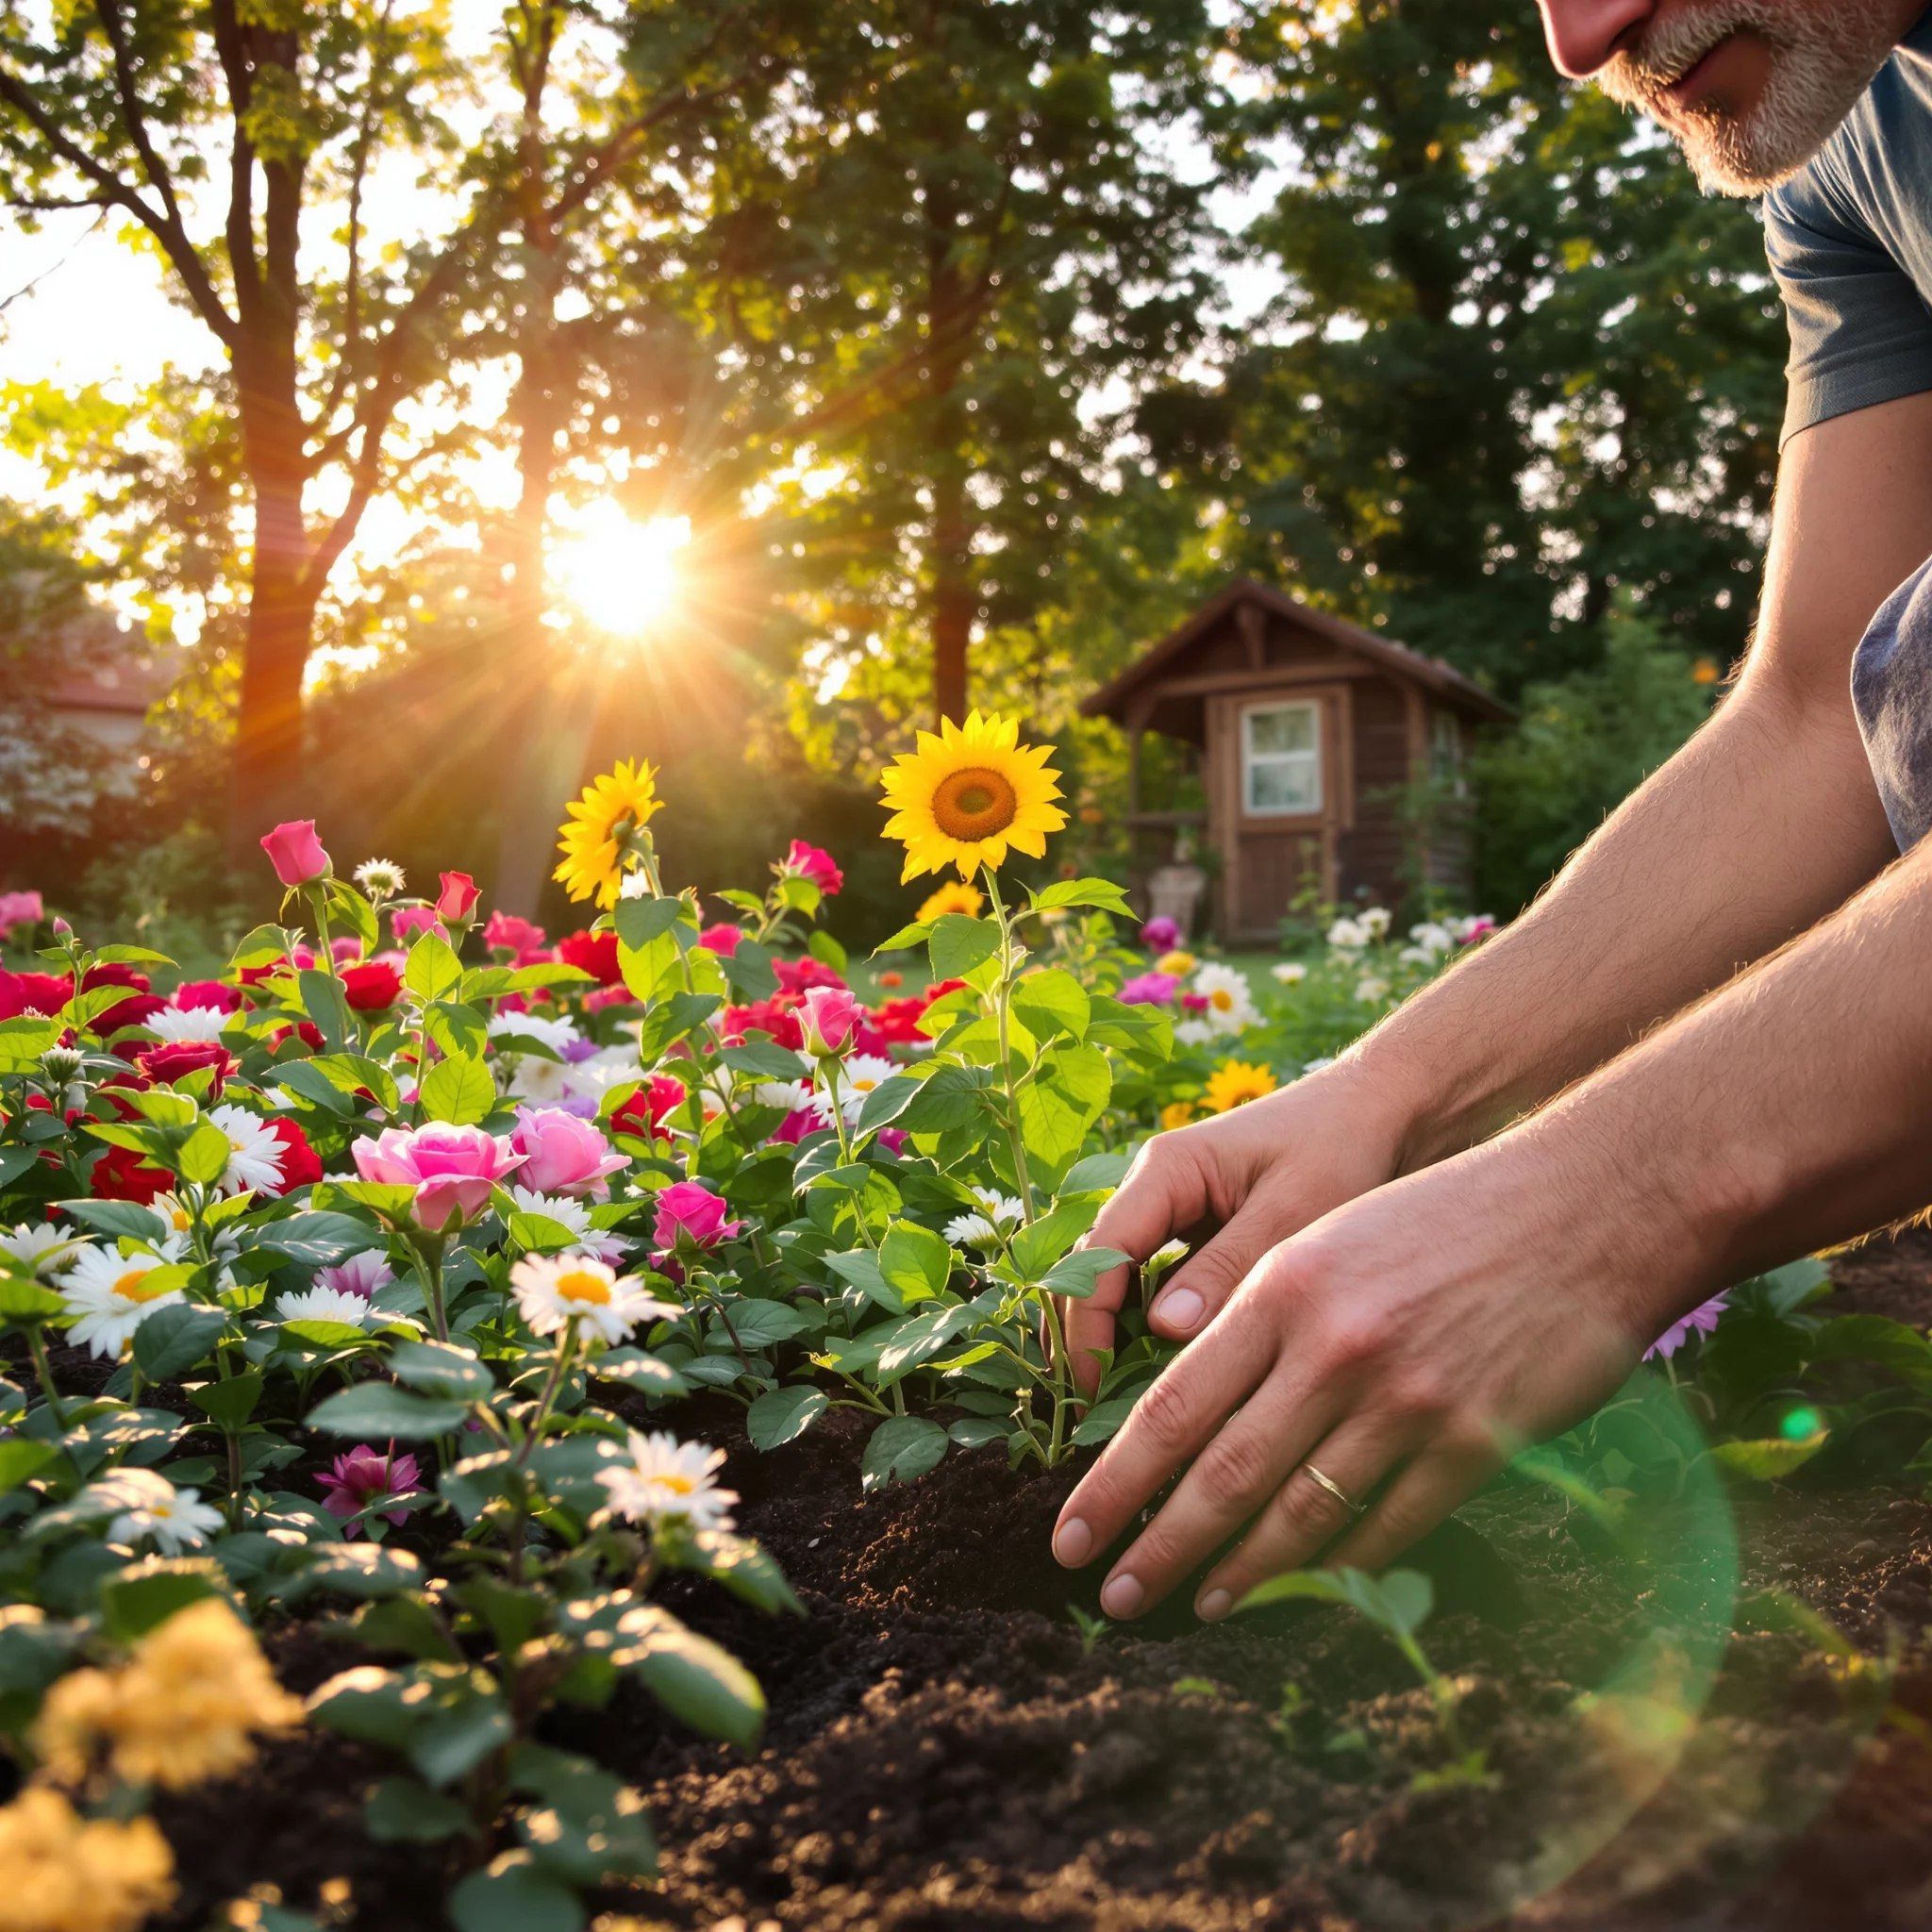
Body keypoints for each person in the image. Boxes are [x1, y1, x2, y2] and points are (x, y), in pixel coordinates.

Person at [1052, 0, 1932, 1625]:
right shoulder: (1853, 128)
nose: (1583, 39)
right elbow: (1829, 707)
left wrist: (1605, 1199)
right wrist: (1390, 1093)